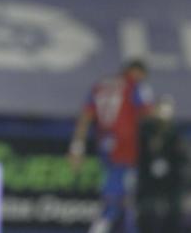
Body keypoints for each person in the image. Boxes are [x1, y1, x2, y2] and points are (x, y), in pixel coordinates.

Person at [68, 60, 154, 233]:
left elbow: (86, 116)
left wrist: (77, 147)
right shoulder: (134, 86)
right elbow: (148, 114)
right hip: (124, 148)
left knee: (120, 197)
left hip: (106, 145)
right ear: (135, 72)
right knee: (121, 199)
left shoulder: (100, 85)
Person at [137, 95, 186, 233]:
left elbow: (181, 160)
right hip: (148, 183)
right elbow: (141, 157)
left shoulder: (175, 135)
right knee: (147, 213)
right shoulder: (145, 131)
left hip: (171, 182)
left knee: (173, 212)